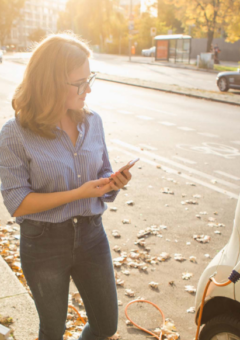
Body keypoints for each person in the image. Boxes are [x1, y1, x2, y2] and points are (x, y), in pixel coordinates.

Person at [0, 33, 132, 340]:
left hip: (91, 234)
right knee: (53, 331)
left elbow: (103, 176)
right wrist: (79, 193)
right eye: (80, 82)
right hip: (43, 242)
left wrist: (114, 184)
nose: (88, 89)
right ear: (51, 82)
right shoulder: (14, 133)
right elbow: (18, 202)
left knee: (105, 325)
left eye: (91, 79)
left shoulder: (93, 122)